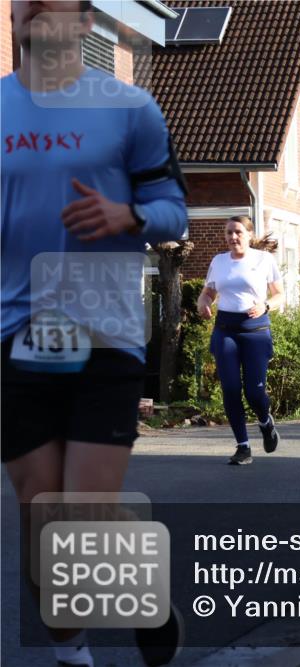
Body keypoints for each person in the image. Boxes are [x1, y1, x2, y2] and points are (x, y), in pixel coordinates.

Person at [2, 2, 187, 664]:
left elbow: (174, 213)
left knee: (78, 512)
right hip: (15, 337)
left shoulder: (131, 109)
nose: (30, 7)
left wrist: (127, 213)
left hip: (104, 335)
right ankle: (75, 645)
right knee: (44, 518)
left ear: (85, 23)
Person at [198, 217, 284, 464]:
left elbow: (279, 295)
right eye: (228, 233)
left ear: (249, 234)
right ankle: (243, 446)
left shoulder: (263, 260)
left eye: (237, 232)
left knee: (255, 392)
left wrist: (266, 305)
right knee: (231, 388)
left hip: (255, 331)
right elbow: (208, 292)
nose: (232, 237)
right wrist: (203, 303)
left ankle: (265, 422)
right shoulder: (219, 261)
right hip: (226, 329)